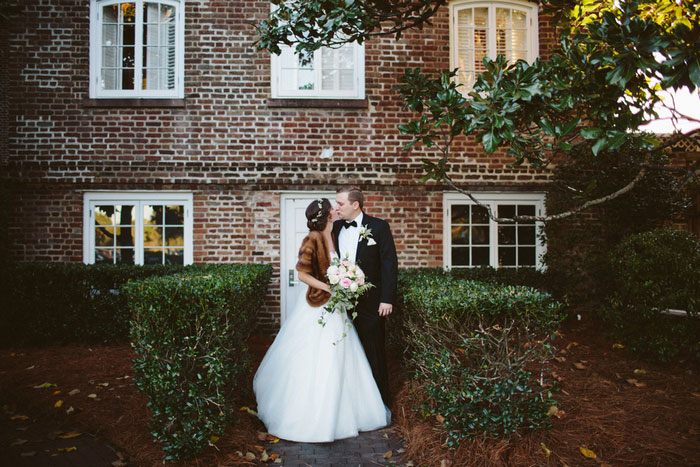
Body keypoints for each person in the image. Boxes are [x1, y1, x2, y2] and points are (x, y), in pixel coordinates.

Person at [253, 198, 390, 443]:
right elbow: (302, 273)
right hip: (319, 306)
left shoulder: (334, 234)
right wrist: (329, 287)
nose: (337, 209)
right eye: (333, 207)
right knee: (319, 357)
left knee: (342, 358)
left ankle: (346, 413)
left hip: (337, 308)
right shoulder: (313, 238)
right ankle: (313, 416)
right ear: (327, 215)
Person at [333, 186, 398, 405]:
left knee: (373, 350)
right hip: (342, 302)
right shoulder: (334, 228)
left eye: (340, 204)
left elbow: (389, 264)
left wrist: (386, 298)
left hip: (372, 302)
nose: (336, 208)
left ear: (355, 204)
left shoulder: (379, 227)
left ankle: (379, 404)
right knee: (346, 352)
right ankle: (351, 403)